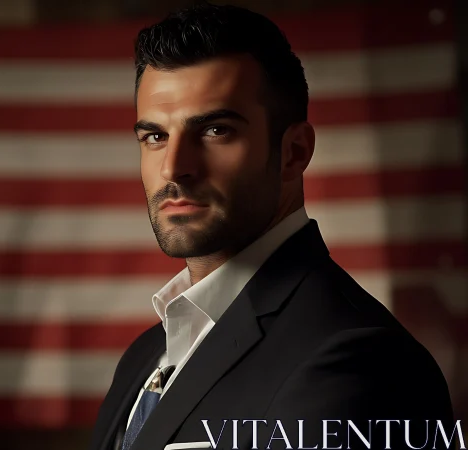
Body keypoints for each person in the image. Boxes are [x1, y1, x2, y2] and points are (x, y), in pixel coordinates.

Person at [87, 3, 454, 450]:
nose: (174, 168)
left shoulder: (359, 360)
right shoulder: (144, 357)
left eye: (215, 131)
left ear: (295, 152)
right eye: (156, 136)